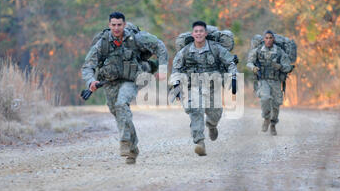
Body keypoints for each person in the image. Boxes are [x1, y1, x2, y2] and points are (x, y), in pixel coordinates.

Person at [81, 11, 168, 164]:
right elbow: (88, 66)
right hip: (110, 82)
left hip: (132, 79)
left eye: (119, 25)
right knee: (119, 113)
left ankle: (124, 142)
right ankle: (133, 149)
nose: (116, 28)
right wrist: (90, 81)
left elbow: (160, 46)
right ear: (109, 25)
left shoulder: (137, 39)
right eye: (113, 25)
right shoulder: (102, 43)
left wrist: (162, 68)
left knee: (122, 104)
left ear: (125, 24)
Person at [170, 21, 238, 156]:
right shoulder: (185, 51)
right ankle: (199, 142)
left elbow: (230, 61)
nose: (199, 34)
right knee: (196, 110)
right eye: (196, 31)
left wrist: (234, 77)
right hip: (193, 87)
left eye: (201, 31)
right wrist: (176, 86)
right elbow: (176, 68)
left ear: (205, 33)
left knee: (215, 114)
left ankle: (212, 125)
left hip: (213, 87)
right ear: (192, 34)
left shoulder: (215, 48)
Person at [247, 30, 292, 136]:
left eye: (270, 38)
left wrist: (280, 66)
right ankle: (266, 118)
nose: (268, 40)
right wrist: (253, 68)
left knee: (276, 104)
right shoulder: (258, 50)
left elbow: (288, 67)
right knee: (265, 98)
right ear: (263, 39)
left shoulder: (280, 52)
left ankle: (273, 124)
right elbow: (249, 62)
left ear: (274, 39)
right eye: (266, 38)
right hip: (263, 80)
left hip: (276, 81)